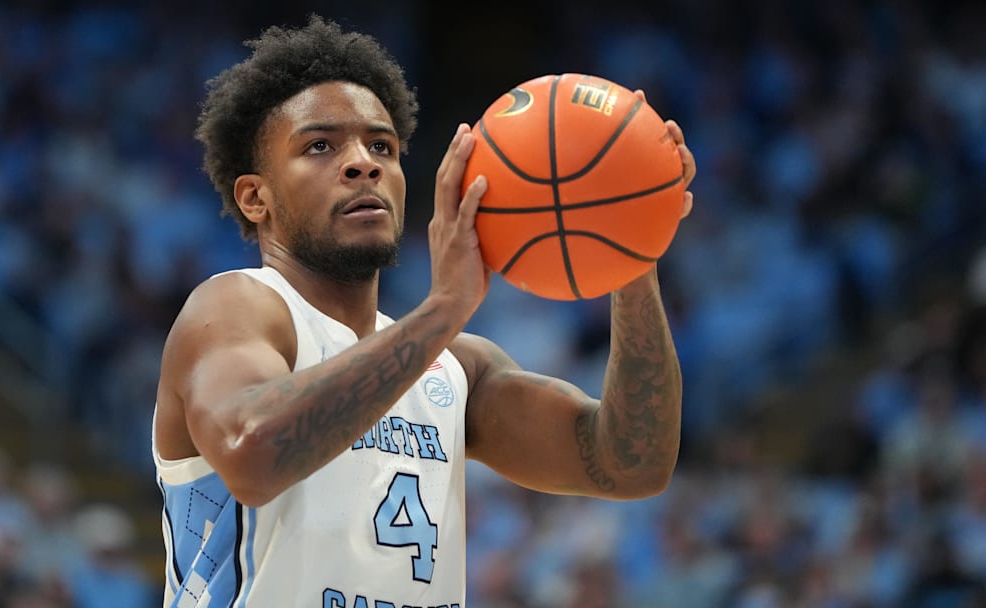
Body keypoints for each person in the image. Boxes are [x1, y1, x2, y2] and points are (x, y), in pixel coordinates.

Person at [152, 15, 696, 608]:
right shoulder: (236, 307)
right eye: (319, 146)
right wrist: (444, 309)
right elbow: (250, 454)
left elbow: (629, 464)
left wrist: (630, 249)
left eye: (381, 145)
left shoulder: (455, 369)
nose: (363, 163)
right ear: (256, 197)